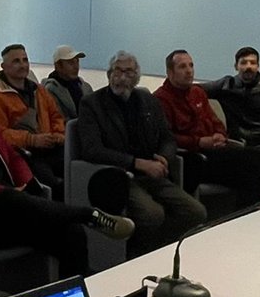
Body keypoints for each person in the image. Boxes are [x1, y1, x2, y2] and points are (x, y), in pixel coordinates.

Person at [0, 73, 134, 277]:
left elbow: (13, 155)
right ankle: (88, 214)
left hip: (12, 210)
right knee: (9, 197)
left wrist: (27, 183)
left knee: (71, 233)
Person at [77, 51, 206, 255]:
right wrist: (136, 163)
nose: (122, 77)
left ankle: (163, 250)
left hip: (153, 172)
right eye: (117, 70)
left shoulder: (147, 100)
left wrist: (164, 158)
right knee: (153, 214)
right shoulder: (92, 104)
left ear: (136, 77)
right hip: (120, 175)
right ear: (109, 74)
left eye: (128, 71)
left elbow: (167, 138)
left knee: (196, 212)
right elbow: (92, 150)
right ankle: (139, 257)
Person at [154, 49, 260, 209]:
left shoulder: (197, 92)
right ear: (170, 72)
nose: (189, 71)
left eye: (191, 65)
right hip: (193, 157)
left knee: (255, 164)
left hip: (215, 150)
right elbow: (167, 138)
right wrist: (199, 142)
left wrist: (219, 134)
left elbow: (215, 121)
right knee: (252, 165)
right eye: (182, 67)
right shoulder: (161, 99)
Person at [204, 46, 260, 201]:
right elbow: (193, 90)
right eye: (244, 62)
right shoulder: (225, 85)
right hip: (235, 146)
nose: (248, 67)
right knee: (253, 179)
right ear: (236, 66)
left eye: (252, 62)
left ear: (258, 66)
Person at [0, 43, 66, 192]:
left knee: (76, 170)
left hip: (49, 147)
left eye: (25, 60)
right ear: (4, 67)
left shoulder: (39, 90)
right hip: (22, 154)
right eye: (16, 61)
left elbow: (55, 116)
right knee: (55, 185)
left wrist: (58, 134)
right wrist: (31, 140)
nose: (23, 65)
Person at [41, 44, 93, 122]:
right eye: (71, 63)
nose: (76, 67)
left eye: (77, 62)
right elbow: (59, 120)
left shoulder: (85, 87)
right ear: (58, 66)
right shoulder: (50, 91)